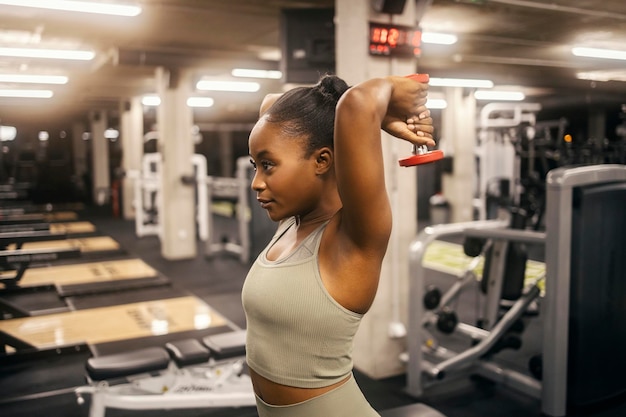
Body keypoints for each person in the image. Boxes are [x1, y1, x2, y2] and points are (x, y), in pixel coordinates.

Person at [242, 74, 435, 417]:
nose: (256, 183)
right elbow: (273, 103)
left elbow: (358, 104)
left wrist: (392, 89)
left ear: (322, 161)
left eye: (268, 165)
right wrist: (329, 102)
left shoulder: (352, 238)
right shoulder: (293, 223)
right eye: (255, 165)